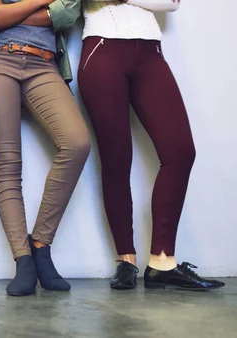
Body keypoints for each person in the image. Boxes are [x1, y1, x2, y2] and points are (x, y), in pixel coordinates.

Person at [79, 0, 224, 290]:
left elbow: (171, 3)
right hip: (102, 48)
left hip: (150, 53)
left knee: (180, 151)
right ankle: (126, 260)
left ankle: (161, 260)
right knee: (116, 159)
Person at [0, 0, 88, 296]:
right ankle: (23, 259)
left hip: (44, 63)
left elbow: (68, 12)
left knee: (77, 143)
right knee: (7, 165)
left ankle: (41, 245)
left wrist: (9, 9)